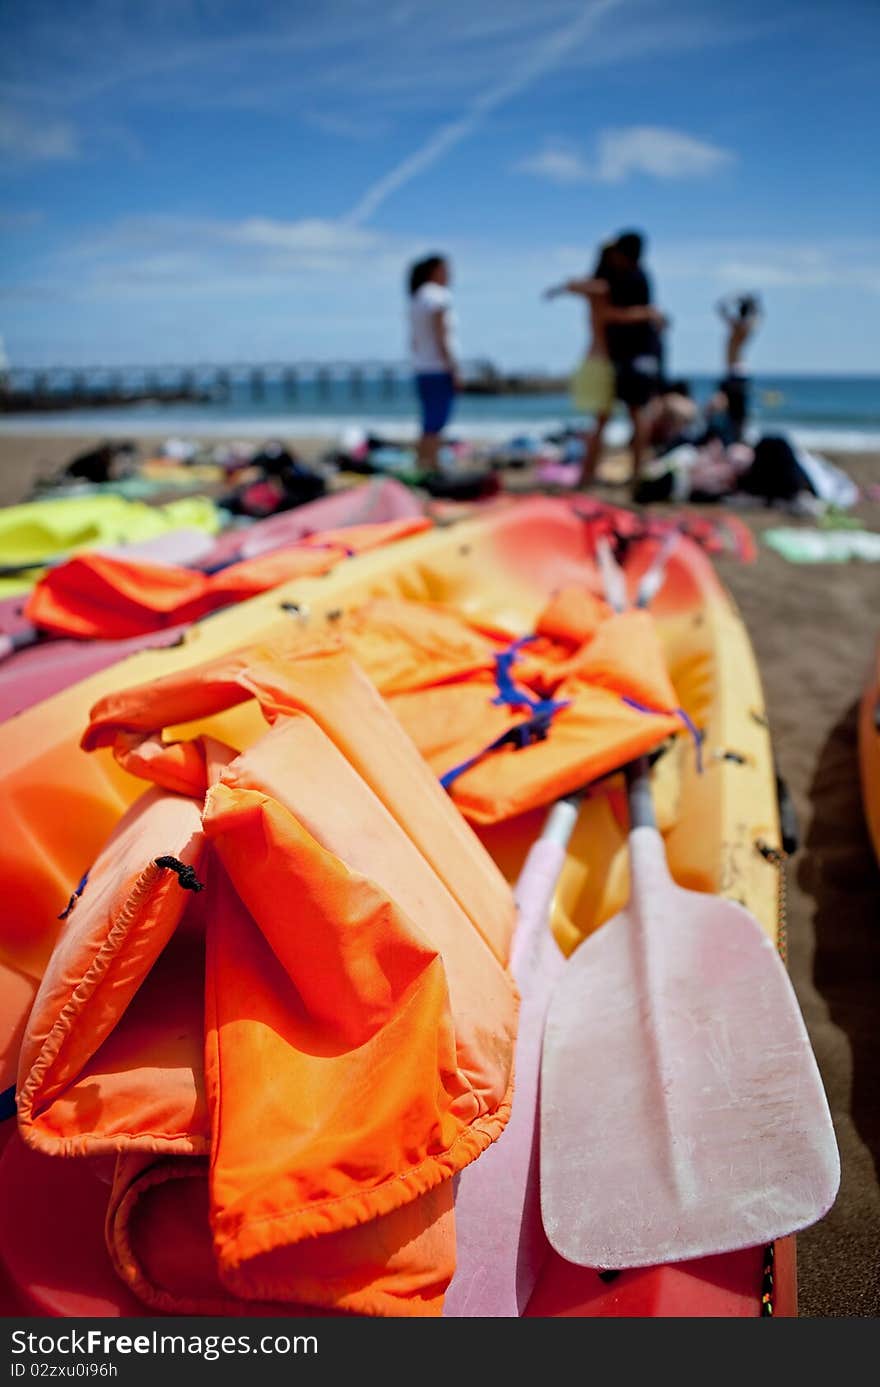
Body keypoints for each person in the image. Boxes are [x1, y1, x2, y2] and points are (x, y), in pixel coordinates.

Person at [543, 238, 667, 487]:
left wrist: (563, 288)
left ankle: (613, 474)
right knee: (616, 416)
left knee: (621, 415)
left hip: (621, 356)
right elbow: (596, 299)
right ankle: (608, 474)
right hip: (614, 357)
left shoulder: (630, 278)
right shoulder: (614, 282)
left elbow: (594, 298)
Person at [408, 254, 459, 474]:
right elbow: (441, 335)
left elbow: (414, 340)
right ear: (434, 271)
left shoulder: (417, 297)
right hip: (438, 367)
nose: (449, 274)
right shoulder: (438, 296)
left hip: (422, 367)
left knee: (428, 422)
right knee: (437, 423)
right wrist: (453, 367)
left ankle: (423, 465)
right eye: (445, 269)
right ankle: (432, 468)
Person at [716, 292, 763, 442]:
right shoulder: (747, 327)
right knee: (738, 414)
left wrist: (734, 298)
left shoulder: (737, 326)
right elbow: (758, 316)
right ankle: (739, 438)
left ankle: (736, 440)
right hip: (740, 373)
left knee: (733, 414)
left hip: (735, 373)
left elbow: (720, 307)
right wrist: (753, 305)